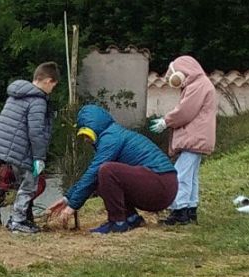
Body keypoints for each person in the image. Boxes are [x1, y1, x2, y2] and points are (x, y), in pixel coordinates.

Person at [60, 103, 176, 233]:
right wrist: (67, 198)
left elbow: (94, 171)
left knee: (106, 171)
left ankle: (117, 222)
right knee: (101, 175)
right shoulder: (112, 134)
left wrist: (72, 206)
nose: (86, 140)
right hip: (164, 184)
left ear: (93, 128)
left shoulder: (110, 138)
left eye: (86, 135)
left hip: (161, 185)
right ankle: (131, 218)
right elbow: (91, 175)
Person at [0, 61, 60, 234]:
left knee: (22, 187)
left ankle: (21, 219)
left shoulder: (15, 96)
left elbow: (5, 130)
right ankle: (17, 221)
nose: (51, 90)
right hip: (24, 153)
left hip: (12, 153)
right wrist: (39, 157)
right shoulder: (38, 101)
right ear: (48, 81)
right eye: (53, 86)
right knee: (29, 186)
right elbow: (36, 132)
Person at [157, 54, 217, 227]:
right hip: (198, 138)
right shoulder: (201, 84)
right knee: (190, 176)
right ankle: (190, 210)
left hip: (194, 138)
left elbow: (185, 111)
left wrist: (166, 121)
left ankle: (179, 211)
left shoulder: (198, 86)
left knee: (180, 174)